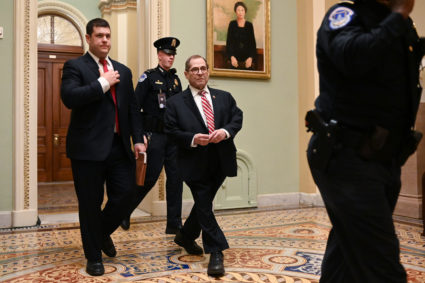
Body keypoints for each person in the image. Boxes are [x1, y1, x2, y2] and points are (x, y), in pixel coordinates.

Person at [306, 0, 425, 282]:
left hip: (384, 160)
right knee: (382, 268)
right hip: (347, 157)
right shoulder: (345, 15)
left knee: (348, 254)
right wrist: (398, 16)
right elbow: (352, 56)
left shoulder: (399, 24)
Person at [60, 18, 146, 276]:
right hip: (87, 150)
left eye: (108, 35)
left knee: (126, 195)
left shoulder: (124, 70)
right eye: (99, 35)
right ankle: (94, 257)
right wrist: (103, 83)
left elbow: (132, 110)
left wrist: (139, 139)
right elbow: (70, 98)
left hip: (119, 148)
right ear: (88, 39)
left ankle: (99, 233)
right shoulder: (75, 66)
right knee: (90, 204)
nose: (105, 40)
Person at [164, 55, 243, 277]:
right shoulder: (175, 103)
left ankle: (185, 236)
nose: (200, 72)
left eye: (203, 68)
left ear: (208, 71)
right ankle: (216, 251)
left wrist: (225, 132)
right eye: (195, 69)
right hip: (192, 161)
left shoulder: (224, 97)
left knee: (203, 201)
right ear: (187, 74)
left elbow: (237, 118)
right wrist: (192, 138)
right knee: (204, 204)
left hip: (221, 160)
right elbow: (170, 132)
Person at [120, 37, 183, 234]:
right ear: (159, 55)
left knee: (175, 181)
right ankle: (124, 211)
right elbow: (134, 108)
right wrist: (138, 137)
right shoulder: (148, 78)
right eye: (167, 54)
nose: (171, 58)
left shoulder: (175, 80)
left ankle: (174, 224)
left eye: (173, 55)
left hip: (173, 138)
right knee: (147, 179)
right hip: (154, 136)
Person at [225, 1, 256, 69]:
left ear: (245, 12)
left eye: (242, 10)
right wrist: (232, 57)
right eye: (238, 10)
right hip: (234, 58)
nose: (240, 12)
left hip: (247, 59)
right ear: (235, 12)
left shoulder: (249, 25)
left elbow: (252, 44)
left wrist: (250, 58)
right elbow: (229, 43)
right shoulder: (232, 24)